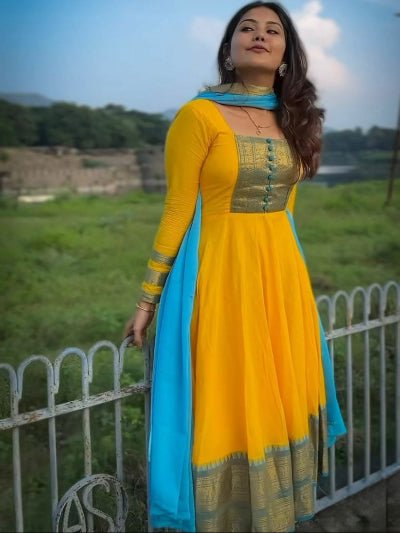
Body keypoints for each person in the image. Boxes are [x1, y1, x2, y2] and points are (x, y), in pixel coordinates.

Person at [125, 2, 346, 532]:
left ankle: (274, 512)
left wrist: (287, 280)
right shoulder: (198, 116)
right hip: (221, 276)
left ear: (286, 54)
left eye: (273, 30)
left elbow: (286, 209)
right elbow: (178, 208)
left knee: (278, 393)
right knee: (229, 393)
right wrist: (148, 298)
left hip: (281, 278)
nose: (259, 35)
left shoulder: (292, 118)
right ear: (228, 49)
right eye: (246, 28)